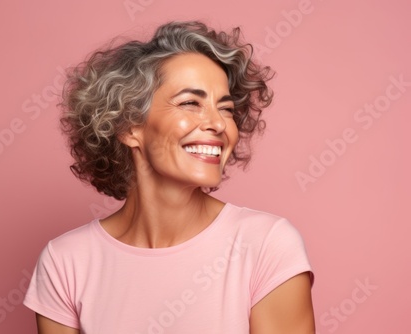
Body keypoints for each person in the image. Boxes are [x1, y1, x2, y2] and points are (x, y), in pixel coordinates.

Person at [23, 20, 315, 333]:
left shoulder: (267, 245)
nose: (218, 123)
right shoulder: (66, 262)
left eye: (226, 108)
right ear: (128, 126)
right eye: (191, 103)